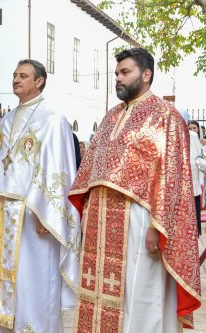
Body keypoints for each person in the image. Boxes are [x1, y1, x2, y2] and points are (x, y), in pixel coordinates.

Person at [69, 48, 201, 332]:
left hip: (139, 222)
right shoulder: (110, 117)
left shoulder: (165, 116)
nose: (118, 78)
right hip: (100, 223)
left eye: (125, 72)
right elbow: (91, 170)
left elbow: (174, 176)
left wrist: (159, 225)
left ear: (146, 74)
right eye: (117, 73)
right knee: (100, 293)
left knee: (139, 292)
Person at [0, 59, 80, 332]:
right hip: (3, 214)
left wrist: (50, 214)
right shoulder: (7, 119)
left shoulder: (54, 119)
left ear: (39, 81)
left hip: (34, 215)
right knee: (3, 278)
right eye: (14, 75)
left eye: (23, 75)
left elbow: (59, 168)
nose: (16, 80)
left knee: (34, 279)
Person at [188, 120, 204, 235]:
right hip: (189, 178)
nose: (192, 130)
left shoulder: (193, 137)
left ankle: (196, 229)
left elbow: (199, 158)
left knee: (195, 204)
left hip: (194, 179)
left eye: (194, 128)